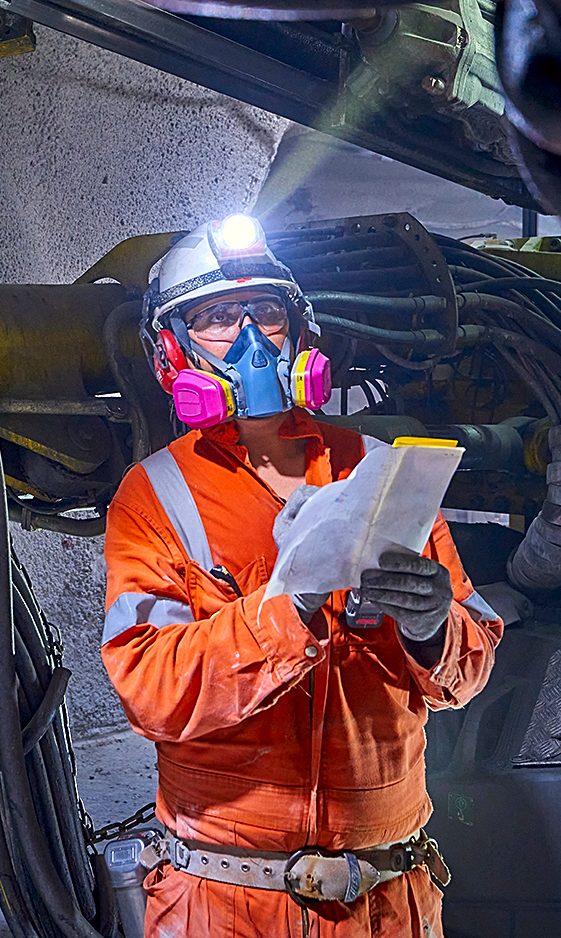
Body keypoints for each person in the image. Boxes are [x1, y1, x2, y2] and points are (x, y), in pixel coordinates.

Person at [100, 214, 503, 938]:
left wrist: (434, 627)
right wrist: (287, 610)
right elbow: (149, 688)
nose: (252, 338)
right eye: (219, 317)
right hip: (225, 902)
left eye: (267, 312)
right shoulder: (155, 494)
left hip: (386, 899)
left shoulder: (379, 469)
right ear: (173, 349)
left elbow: (468, 673)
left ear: (299, 330)